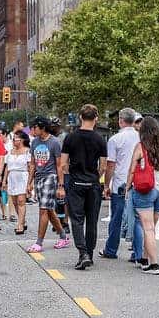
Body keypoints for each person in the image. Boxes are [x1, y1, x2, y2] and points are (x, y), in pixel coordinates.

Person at [60, 104, 108, 270]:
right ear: (96, 118)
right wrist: (96, 176)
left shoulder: (70, 138)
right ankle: (90, 253)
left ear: (80, 117)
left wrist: (70, 174)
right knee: (92, 220)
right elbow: (103, 166)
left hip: (76, 182)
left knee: (77, 220)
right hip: (93, 183)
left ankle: (82, 253)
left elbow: (63, 163)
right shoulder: (100, 139)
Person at [125, 116, 159, 275]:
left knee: (148, 228)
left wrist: (127, 187)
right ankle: (144, 258)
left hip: (145, 190)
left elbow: (132, 170)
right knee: (151, 226)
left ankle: (154, 264)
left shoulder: (140, 146)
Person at [100, 108, 143, 261]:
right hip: (138, 182)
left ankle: (111, 249)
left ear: (120, 120)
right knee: (138, 219)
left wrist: (106, 185)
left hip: (120, 183)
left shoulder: (115, 139)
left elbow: (110, 165)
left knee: (116, 219)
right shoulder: (141, 138)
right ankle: (137, 253)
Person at [26, 116, 69, 253]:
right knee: (49, 209)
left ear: (42, 127)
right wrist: (29, 182)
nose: (33, 130)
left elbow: (59, 165)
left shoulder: (55, 142)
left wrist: (61, 185)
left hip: (51, 177)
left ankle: (39, 242)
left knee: (43, 209)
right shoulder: (34, 143)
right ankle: (63, 236)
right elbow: (32, 163)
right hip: (39, 177)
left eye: (35, 127)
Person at [3, 130, 32, 234]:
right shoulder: (10, 151)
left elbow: (30, 168)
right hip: (12, 177)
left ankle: (20, 225)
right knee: (15, 202)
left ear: (22, 140)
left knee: (21, 201)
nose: (13, 141)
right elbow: (7, 167)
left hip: (23, 176)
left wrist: (30, 183)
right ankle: (22, 221)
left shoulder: (27, 151)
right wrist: (4, 181)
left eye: (15, 139)